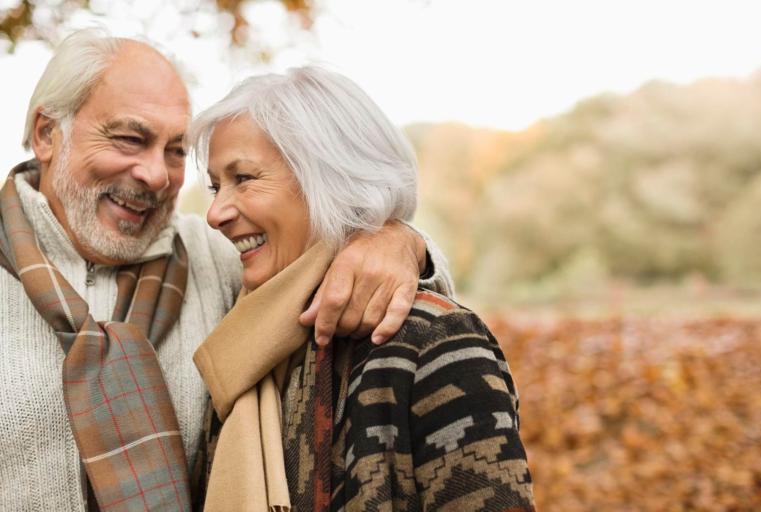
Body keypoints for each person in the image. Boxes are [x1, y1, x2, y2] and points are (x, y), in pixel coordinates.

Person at [0, 30, 453, 511]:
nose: (156, 175)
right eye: (131, 139)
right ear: (48, 134)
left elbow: (318, 252)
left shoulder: (214, 259)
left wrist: (400, 241)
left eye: (175, 150)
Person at [189, 67, 535, 511]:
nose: (215, 213)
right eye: (216, 186)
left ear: (331, 178)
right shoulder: (246, 348)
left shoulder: (435, 343)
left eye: (245, 178)